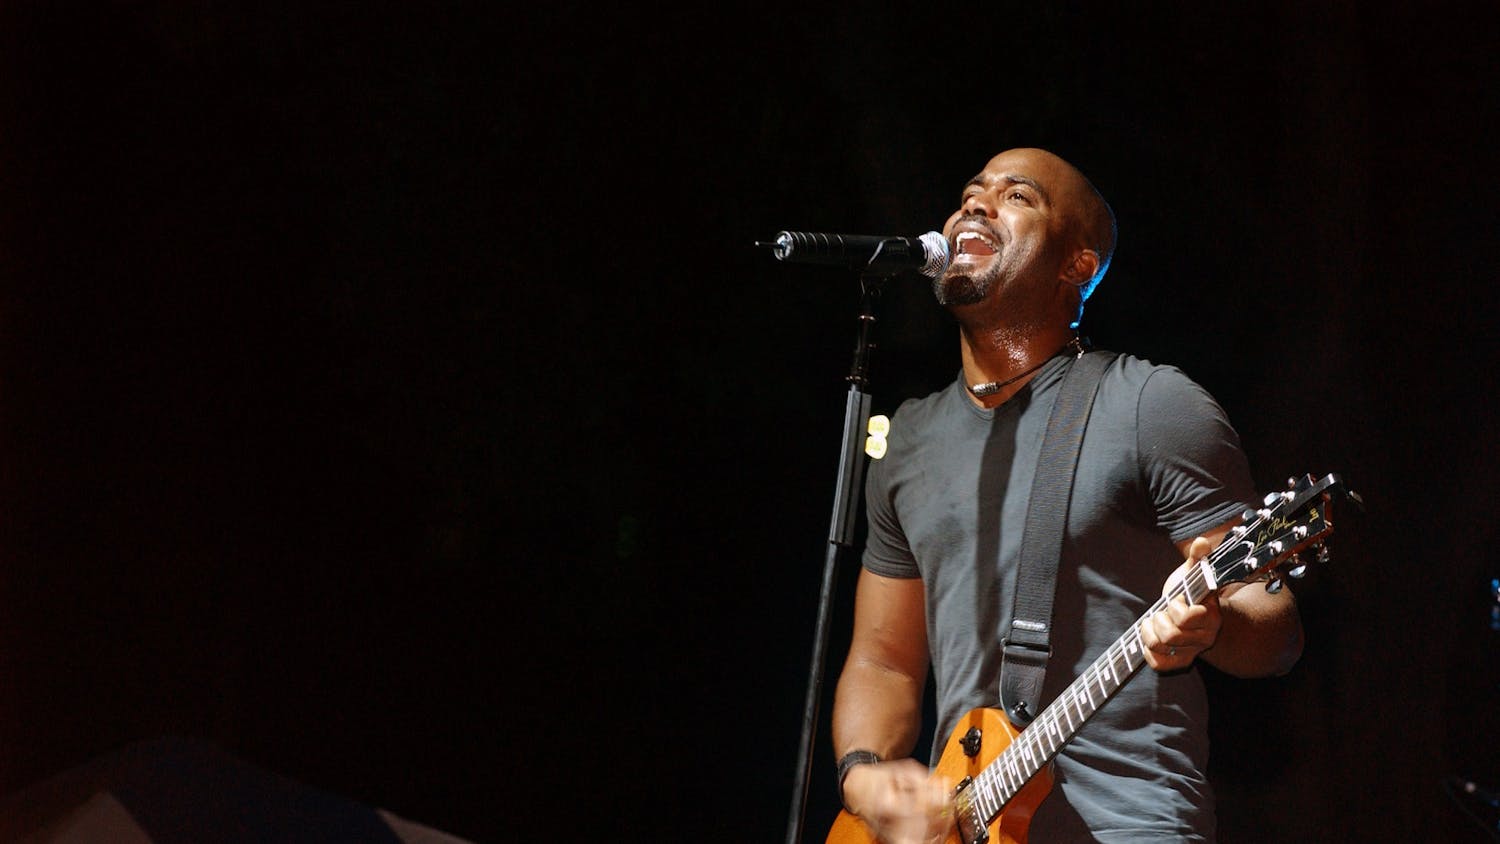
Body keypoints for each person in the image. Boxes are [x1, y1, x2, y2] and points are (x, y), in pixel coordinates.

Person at [830, 148, 1304, 843]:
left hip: (1130, 825)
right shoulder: (910, 440)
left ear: (1077, 265)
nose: (976, 204)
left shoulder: (1151, 404)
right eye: (970, 193)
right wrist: (863, 775)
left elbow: (1275, 626)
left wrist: (1214, 626)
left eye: (1017, 196)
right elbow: (883, 659)